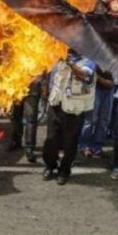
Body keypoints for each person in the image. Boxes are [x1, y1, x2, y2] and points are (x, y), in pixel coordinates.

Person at [42, 49, 96, 185]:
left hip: (74, 109)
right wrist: (46, 90)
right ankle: (50, 165)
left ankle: (64, 171)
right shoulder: (60, 53)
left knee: (70, 143)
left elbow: (83, 75)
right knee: (51, 140)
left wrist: (70, 63)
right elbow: (52, 74)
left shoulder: (90, 60)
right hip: (56, 104)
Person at [78, 65, 116, 158]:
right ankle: (84, 146)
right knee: (90, 119)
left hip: (110, 89)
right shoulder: (98, 53)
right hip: (96, 88)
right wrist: (102, 81)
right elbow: (87, 70)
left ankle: (97, 147)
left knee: (104, 119)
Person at [7, 75, 46, 163]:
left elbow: (44, 69)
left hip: (33, 89)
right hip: (16, 86)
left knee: (31, 118)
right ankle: (16, 140)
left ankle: (29, 147)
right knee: (15, 116)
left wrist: (43, 84)